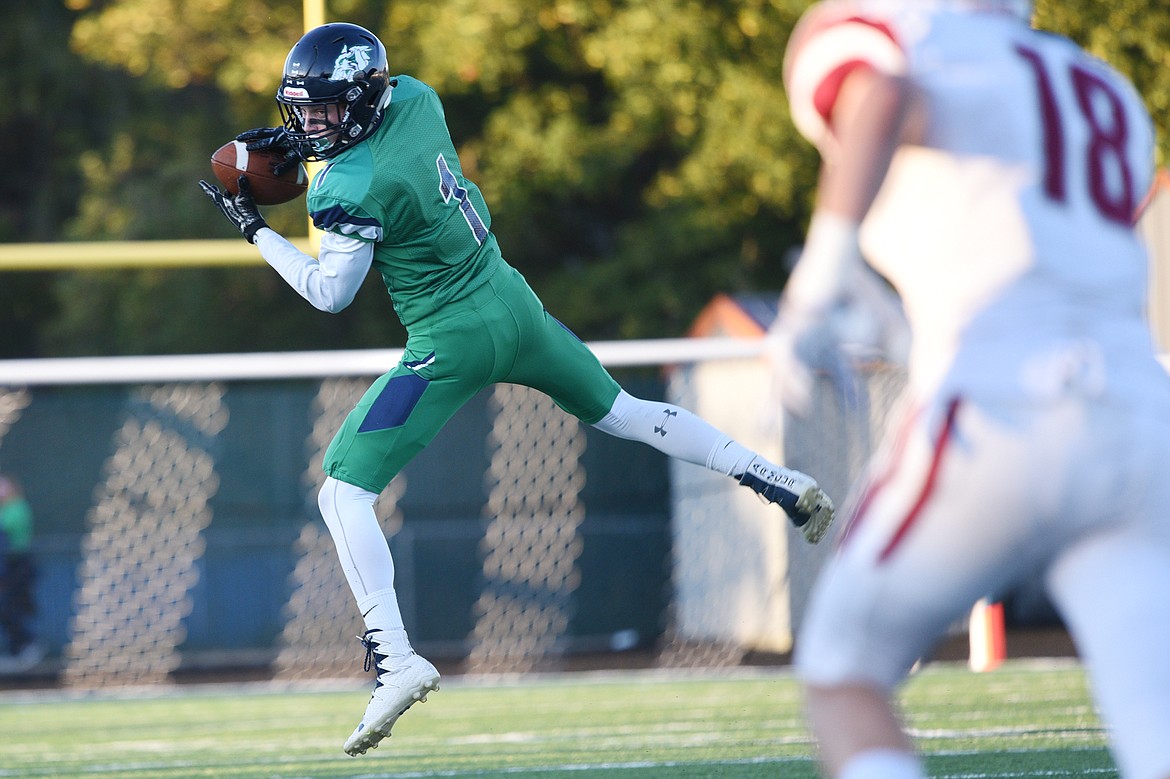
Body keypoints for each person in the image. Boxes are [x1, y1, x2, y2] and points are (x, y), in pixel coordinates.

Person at [199, 22, 836, 757]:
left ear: (362, 102)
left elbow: (327, 292)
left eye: (324, 112)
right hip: (513, 301)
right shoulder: (416, 98)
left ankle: (395, 658)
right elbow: (375, 156)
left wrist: (255, 228)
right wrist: (317, 156)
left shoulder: (344, 186)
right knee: (626, 412)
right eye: (303, 112)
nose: (310, 128)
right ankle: (772, 475)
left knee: (341, 492)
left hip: (450, 339)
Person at [773, 1, 1170, 778]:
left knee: (842, 667)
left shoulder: (902, 38)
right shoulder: (1105, 87)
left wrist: (821, 272)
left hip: (1000, 402)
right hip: (1140, 416)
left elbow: (881, 99)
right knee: (1156, 722)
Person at [0, 474, 41, 672]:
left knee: (12, 607)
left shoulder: (16, 508)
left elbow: (6, 530)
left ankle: (27, 648)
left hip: (17, 567)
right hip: (9, 566)